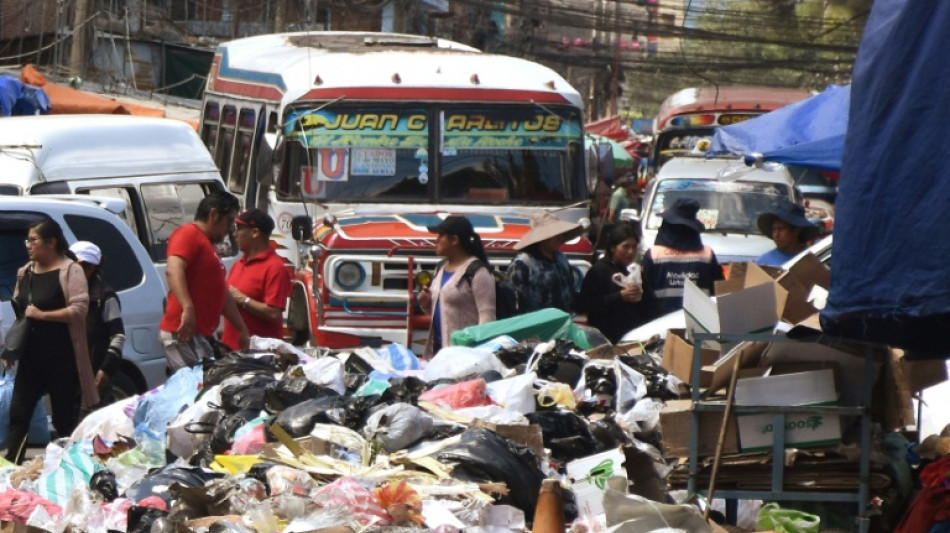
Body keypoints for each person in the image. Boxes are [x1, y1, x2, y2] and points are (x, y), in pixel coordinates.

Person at [5, 220, 98, 463]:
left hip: (62, 358)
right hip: (31, 357)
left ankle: (68, 465)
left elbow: (79, 310)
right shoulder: (26, 272)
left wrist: (42, 315)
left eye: (33, 240)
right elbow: (21, 313)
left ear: (51, 242)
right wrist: (10, 349)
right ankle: (12, 469)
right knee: (18, 414)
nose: (28, 245)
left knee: (63, 418)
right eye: (27, 240)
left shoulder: (71, 270)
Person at [159, 191, 249, 371]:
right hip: (182, 332)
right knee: (197, 385)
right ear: (213, 214)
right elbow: (174, 269)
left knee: (210, 382)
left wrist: (241, 328)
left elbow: (222, 293)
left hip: (200, 335)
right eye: (229, 221)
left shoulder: (208, 246)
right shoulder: (188, 234)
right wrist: (188, 307)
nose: (230, 229)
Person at [417, 215, 495, 358]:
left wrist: (479, 355)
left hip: (465, 357)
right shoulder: (440, 268)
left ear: (454, 240)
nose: (436, 240)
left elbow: (487, 318)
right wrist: (427, 303)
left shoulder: (478, 272)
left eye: (441, 236)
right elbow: (446, 312)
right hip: (438, 354)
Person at [641, 198, 724, 319]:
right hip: (700, 321)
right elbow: (719, 291)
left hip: (660, 322)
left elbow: (642, 294)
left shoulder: (654, 254)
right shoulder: (707, 254)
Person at [222, 209, 292, 351]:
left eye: (239, 229)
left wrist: (243, 300)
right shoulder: (238, 265)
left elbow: (273, 313)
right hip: (231, 349)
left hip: (260, 354)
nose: (235, 234)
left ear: (254, 232)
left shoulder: (275, 267)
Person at [70, 241, 125, 402]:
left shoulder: (104, 297)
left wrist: (105, 369)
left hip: (94, 371)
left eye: (75, 265)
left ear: (91, 268)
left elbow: (118, 335)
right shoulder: (65, 293)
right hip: (69, 373)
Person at [576, 223, 647, 344]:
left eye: (634, 247)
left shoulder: (635, 272)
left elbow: (650, 306)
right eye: (626, 247)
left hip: (632, 340)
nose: (630, 252)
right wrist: (620, 296)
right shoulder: (599, 271)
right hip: (603, 340)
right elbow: (585, 304)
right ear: (613, 248)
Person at [507, 211, 584, 313]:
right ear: (544, 238)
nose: (560, 238)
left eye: (560, 234)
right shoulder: (523, 263)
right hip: (536, 321)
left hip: (563, 319)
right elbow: (516, 303)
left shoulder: (562, 260)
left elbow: (570, 294)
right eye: (556, 235)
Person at [755, 202, 819, 267]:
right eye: (774, 229)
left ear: (797, 230)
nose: (776, 234)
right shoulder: (763, 263)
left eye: (781, 229)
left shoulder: (811, 259)